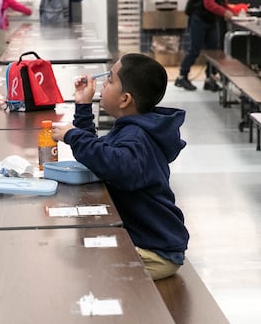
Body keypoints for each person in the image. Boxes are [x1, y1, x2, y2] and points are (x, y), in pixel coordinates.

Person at [51, 54, 189, 280]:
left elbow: (114, 164)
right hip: (150, 242)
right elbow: (100, 154)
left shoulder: (136, 137)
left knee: (84, 273)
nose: (103, 84)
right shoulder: (132, 128)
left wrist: (73, 136)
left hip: (154, 252)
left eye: (110, 80)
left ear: (125, 99)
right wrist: (83, 106)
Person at [175, 0, 234, 92]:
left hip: (211, 21)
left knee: (213, 50)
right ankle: (182, 76)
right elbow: (209, 4)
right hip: (199, 20)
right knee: (195, 49)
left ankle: (210, 78)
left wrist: (233, 12)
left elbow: (223, 3)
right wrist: (224, 12)